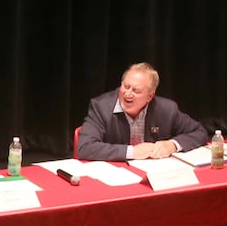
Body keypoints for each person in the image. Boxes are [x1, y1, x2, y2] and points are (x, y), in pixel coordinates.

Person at [77, 62, 208, 161]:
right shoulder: (101, 107)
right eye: (126, 86)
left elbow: (199, 132)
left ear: (150, 96)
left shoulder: (166, 109)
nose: (128, 94)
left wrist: (172, 145)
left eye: (136, 90)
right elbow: (85, 148)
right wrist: (133, 152)